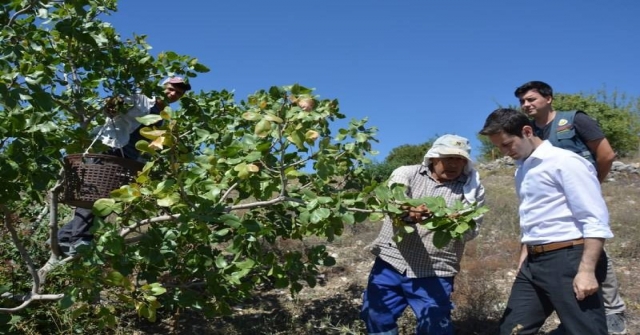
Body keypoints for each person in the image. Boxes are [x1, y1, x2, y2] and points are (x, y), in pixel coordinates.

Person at [479, 108, 613, 335]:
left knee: (586, 330)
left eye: (507, 144)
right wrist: (525, 255)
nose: (504, 152)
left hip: (569, 258)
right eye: (499, 147)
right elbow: (533, 216)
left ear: (527, 131)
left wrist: (587, 270)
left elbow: (594, 218)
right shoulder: (522, 169)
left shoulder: (566, 162)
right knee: (512, 330)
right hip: (533, 262)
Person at [515, 80, 626, 335]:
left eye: (531, 99)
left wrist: (591, 185)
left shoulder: (574, 120)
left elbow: (606, 154)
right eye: (522, 101)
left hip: (581, 191)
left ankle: (612, 310)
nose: (526, 105)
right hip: (553, 201)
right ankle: (574, 316)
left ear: (549, 98)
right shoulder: (528, 130)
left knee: (593, 248)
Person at [360, 134, 485, 335]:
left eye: (460, 159)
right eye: (448, 158)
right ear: (434, 158)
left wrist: (449, 222)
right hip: (392, 263)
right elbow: (393, 203)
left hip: (435, 270)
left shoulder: (471, 189)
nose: (454, 164)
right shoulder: (406, 173)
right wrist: (409, 213)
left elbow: (471, 231)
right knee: (376, 316)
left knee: (435, 327)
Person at [56, 77, 192, 257]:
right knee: (93, 196)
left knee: (107, 203)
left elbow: (148, 142)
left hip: (126, 160)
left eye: (179, 93)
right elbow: (113, 106)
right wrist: (112, 105)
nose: (173, 94)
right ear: (162, 87)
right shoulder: (140, 98)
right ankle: (79, 239)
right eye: (171, 89)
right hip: (108, 148)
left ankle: (64, 239)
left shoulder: (162, 116)